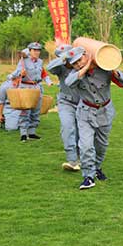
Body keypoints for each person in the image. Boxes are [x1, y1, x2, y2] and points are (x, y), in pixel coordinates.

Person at [65, 46, 123, 190]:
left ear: (86, 55)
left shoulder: (104, 69)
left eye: (80, 60)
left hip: (104, 111)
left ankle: (97, 167)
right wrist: (85, 67)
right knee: (86, 145)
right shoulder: (75, 73)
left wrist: (113, 69)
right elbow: (69, 83)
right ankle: (88, 176)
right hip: (85, 113)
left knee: (101, 145)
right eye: (74, 63)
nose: (78, 64)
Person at [47, 44, 81, 172]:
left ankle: (81, 157)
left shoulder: (80, 65)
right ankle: (72, 160)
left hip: (83, 103)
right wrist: (63, 58)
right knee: (67, 128)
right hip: (66, 102)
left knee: (80, 131)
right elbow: (49, 67)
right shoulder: (60, 67)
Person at [12, 42, 52, 142]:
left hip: (37, 87)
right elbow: (15, 73)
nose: (37, 52)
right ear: (30, 51)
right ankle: (23, 134)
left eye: (38, 50)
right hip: (26, 86)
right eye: (34, 50)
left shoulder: (40, 62)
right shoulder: (23, 60)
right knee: (25, 111)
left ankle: (32, 132)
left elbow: (43, 73)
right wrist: (21, 73)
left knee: (36, 111)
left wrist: (48, 81)